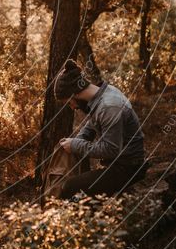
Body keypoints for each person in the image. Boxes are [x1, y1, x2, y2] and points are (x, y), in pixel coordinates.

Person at [53, 59, 148, 198]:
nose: (72, 107)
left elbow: (110, 149)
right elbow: (91, 125)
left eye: (69, 102)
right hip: (118, 163)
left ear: (75, 94)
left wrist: (74, 145)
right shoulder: (103, 94)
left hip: (128, 168)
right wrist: (77, 141)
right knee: (78, 163)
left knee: (69, 188)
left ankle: (85, 216)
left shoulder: (109, 106)